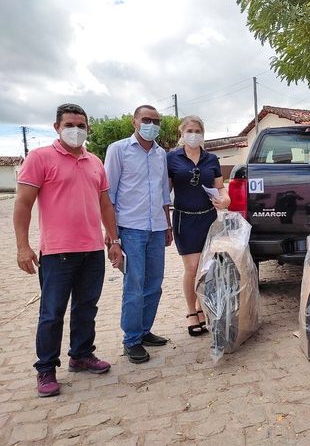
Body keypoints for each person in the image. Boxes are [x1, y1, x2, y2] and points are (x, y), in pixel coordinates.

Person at [13, 103, 123, 397]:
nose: (76, 130)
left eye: (81, 125)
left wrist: (114, 241)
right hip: (57, 253)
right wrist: (23, 247)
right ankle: (46, 369)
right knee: (52, 313)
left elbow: (105, 205)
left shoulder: (94, 162)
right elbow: (23, 203)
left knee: (87, 307)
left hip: (91, 251)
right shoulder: (39, 158)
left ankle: (81, 354)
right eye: (70, 125)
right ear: (57, 127)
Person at [104, 105, 172, 363]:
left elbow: (164, 192)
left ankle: (144, 331)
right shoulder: (118, 150)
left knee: (154, 284)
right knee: (134, 285)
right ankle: (131, 339)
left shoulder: (160, 154)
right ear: (134, 122)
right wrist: (112, 237)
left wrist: (167, 225)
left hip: (156, 228)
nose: (151, 124)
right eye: (146, 119)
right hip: (130, 230)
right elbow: (107, 196)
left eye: (156, 121)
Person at [167, 116, 230, 336]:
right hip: (185, 219)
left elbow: (220, 187)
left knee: (208, 268)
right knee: (192, 268)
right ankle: (191, 311)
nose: (194, 135)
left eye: (198, 131)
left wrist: (225, 199)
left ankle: (204, 307)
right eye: (190, 130)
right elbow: (165, 191)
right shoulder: (171, 158)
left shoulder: (211, 159)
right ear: (182, 133)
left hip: (208, 219)